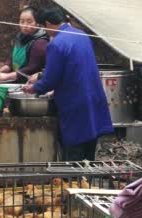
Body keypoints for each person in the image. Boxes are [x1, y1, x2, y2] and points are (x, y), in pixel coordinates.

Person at [23, 6, 113, 161]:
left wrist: (34, 88)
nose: (45, 32)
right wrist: (42, 77)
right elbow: (73, 67)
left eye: (44, 27)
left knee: (73, 157)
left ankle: (72, 183)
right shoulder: (82, 35)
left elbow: (51, 80)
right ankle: (87, 183)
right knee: (88, 156)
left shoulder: (56, 44)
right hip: (93, 100)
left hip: (75, 106)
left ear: (48, 23)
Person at [0, 6, 49, 83]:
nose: (25, 26)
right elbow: (12, 59)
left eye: (29, 22)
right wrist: (1, 70)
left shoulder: (40, 43)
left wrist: (7, 76)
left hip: (30, 83)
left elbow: (32, 68)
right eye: (22, 22)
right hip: (16, 79)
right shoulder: (20, 37)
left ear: (37, 23)